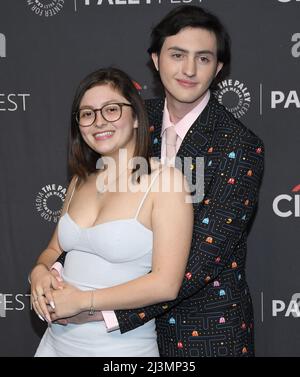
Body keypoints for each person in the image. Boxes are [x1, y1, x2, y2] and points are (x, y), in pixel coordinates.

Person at [40, 5, 265, 357]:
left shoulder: (238, 145)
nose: (189, 70)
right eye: (177, 55)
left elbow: (198, 261)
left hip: (202, 330)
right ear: (156, 60)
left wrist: (95, 309)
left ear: (218, 68)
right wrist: (48, 272)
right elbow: (97, 212)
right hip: (104, 333)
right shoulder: (127, 118)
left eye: (203, 58)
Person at [30, 67, 193, 357]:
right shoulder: (79, 181)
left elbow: (166, 284)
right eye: (87, 113)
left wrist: (84, 301)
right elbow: (54, 248)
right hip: (54, 345)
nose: (99, 121)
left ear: (135, 118)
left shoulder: (166, 181)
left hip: (121, 351)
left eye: (112, 109)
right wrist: (39, 271)